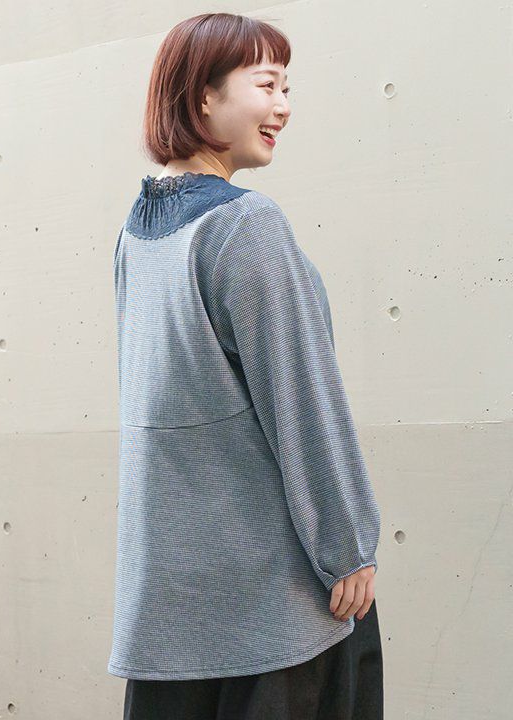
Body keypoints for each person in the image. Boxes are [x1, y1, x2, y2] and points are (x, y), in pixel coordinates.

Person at [107, 11, 383, 719]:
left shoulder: (138, 234)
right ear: (204, 95)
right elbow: (302, 400)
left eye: (288, 87)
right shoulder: (243, 224)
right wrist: (346, 546)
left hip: (172, 603)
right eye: (267, 84)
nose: (283, 106)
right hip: (275, 608)